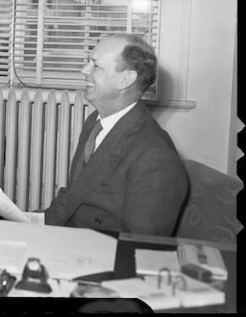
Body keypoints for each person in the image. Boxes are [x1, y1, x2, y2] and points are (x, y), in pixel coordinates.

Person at [44, 33, 188, 236]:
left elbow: (141, 244)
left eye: (95, 66)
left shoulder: (155, 156)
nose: (83, 70)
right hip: (73, 240)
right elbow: (75, 194)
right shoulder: (95, 122)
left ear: (125, 79)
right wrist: (35, 227)